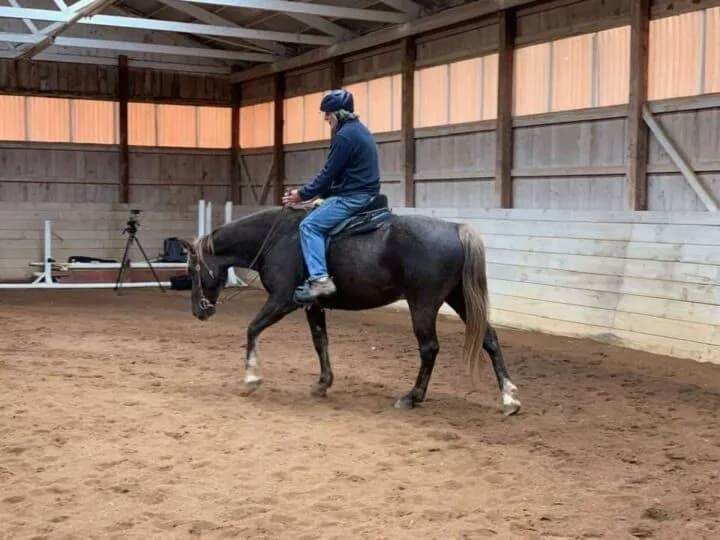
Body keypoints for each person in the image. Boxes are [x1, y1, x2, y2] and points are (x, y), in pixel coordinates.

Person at [282, 89, 380, 304]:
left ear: (338, 114)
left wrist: (301, 194)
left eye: (327, 114)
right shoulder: (359, 131)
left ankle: (320, 280)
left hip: (353, 196)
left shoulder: (344, 136)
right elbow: (342, 174)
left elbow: (329, 173)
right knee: (316, 209)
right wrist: (316, 196)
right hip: (361, 191)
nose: (325, 118)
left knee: (309, 226)